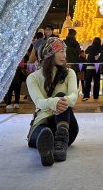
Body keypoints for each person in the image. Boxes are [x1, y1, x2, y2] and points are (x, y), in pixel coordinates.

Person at [26, 37, 78, 166]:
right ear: (49, 54)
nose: (64, 55)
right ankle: (47, 151)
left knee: (62, 96)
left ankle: (60, 140)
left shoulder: (69, 73)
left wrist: (63, 100)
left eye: (64, 51)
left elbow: (74, 95)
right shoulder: (33, 78)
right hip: (43, 120)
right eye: (60, 51)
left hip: (66, 126)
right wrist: (52, 103)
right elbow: (38, 101)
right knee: (43, 133)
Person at [83, 37, 102, 101]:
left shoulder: (90, 47)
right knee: (96, 82)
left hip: (89, 67)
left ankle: (86, 95)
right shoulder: (100, 48)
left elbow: (86, 52)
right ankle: (96, 97)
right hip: (97, 67)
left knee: (88, 82)